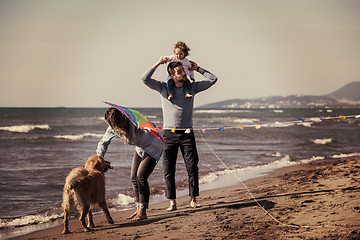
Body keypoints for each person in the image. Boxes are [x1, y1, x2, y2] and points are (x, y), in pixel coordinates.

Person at [141, 57, 218, 211]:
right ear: (172, 76)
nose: (183, 73)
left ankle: (193, 199)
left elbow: (213, 79)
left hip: (187, 133)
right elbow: (144, 78)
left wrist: (198, 68)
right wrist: (157, 63)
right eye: (179, 72)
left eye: (183, 70)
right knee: (168, 169)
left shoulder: (192, 88)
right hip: (169, 134)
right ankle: (172, 202)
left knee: (192, 167)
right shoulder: (163, 88)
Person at [96, 107, 163, 221]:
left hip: (153, 146)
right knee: (133, 178)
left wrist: (149, 128)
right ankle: (138, 209)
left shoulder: (135, 124)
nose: (110, 127)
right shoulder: (112, 129)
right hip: (140, 148)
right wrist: (99, 156)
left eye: (111, 124)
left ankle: (143, 211)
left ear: (117, 122)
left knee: (141, 176)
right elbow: (104, 142)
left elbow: (151, 127)